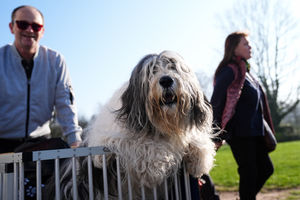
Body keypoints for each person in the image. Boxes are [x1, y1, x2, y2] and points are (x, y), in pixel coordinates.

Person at [0, 5, 82, 153]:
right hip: (3, 143)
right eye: (23, 24)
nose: (29, 30)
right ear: (12, 27)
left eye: (36, 26)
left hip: (39, 143)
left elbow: (65, 103)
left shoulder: (56, 61)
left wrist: (75, 141)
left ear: (42, 31)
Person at [210, 31, 275, 200]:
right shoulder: (229, 71)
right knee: (249, 174)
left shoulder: (246, 73)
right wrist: (215, 133)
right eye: (245, 44)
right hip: (240, 133)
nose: (250, 46)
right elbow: (216, 101)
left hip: (255, 132)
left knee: (266, 169)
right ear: (234, 48)